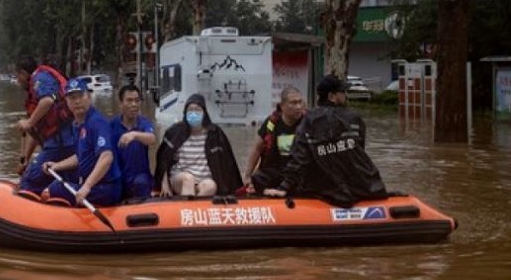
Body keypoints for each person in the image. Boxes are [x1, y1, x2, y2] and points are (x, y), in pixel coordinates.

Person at [264, 74, 388, 208]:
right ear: (332, 96)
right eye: (342, 92)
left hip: (326, 191)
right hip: (363, 188)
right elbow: (359, 152)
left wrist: (284, 187)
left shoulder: (308, 121)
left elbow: (299, 159)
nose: (345, 95)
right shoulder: (354, 118)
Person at [42, 77, 122, 206]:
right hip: (93, 183)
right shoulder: (77, 125)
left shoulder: (97, 123)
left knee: (56, 188)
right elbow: (81, 156)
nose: (77, 101)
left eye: (81, 96)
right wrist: (56, 165)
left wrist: (87, 187)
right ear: (67, 102)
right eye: (72, 98)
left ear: (89, 97)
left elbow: (107, 157)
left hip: (106, 188)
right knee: (63, 175)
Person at [154, 93, 243, 197]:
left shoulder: (215, 134)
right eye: (190, 110)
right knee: (188, 179)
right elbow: (163, 159)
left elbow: (228, 162)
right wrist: (164, 183)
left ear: (204, 113)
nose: (193, 113)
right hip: (180, 177)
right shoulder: (175, 132)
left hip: (204, 178)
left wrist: (235, 189)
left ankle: (194, 204)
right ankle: (186, 204)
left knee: (211, 186)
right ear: (185, 113)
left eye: (197, 110)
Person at [15, 56, 76, 195]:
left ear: (24, 73)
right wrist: (26, 159)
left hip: (61, 143)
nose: (17, 80)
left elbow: (48, 101)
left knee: (29, 181)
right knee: (49, 178)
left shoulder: (40, 78)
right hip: (58, 142)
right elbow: (35, 132)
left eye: (18, 76)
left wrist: (28, 122)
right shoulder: (35, 92)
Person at [241, 86, 305, 193]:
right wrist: (247, 176)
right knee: (257, 179)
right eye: (293, 103)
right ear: (282, 106)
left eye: (300, 102)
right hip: (275, 172)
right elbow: (257, 149)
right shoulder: (271, 123)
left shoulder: (309, 123)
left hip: (298, 173)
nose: (298, 107)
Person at [109, 84, 156, 200]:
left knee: (141, 182)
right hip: (119, 177)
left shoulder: (144, 123)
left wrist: (134, 135)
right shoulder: (112, 125)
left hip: (140, 177)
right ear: (121, 104)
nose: (134, 104)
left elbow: (152, 139)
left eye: (137, 101)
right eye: (129, 101)